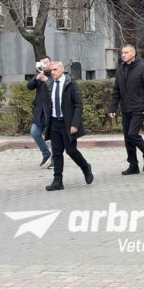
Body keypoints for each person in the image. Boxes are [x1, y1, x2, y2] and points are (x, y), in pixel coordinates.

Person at [44, 61, 93, 191]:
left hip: (67, 123)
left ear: (62, 69)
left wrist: (75, 124)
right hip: (54, 122)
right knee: (56, 152)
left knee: (71, 150)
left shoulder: (70, 84)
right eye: (51, 70)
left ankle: (85, 167)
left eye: (55, 69)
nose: (52, 72)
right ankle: (57, 181)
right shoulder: (50, 84)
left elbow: (78, 105)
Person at [108, 44, 144, 175]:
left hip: (139, 108)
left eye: (126, 52)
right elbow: (116, 90)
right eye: (122, 53)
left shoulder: (143, 68)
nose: (123, 55)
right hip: (126, 108)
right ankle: (133, 165)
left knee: (132, 134)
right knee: (127, 138)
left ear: (133, 53)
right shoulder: (120, 69)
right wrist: (112, 108)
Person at [27, 56, 53, 168]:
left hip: (51, 110)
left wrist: (47, 80)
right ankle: (46, 153)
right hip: (39, 111)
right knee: (35, 132)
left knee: (53, 136)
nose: (44, 65)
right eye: (42, 63)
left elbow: (58, 87)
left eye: (46, 63)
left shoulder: (54, 74)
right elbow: (29, 87)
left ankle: (54, 158)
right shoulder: (38, 74)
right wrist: (36, 79)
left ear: (50, 63)